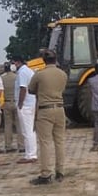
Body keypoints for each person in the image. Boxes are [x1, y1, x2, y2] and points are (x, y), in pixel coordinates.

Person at [27, 49, 68, 184]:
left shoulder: (40, 74)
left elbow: (31, 89)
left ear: (43, 60)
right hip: (60, 108)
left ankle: (46, 174)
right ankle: (60, 171)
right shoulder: (63, 74)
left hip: (45, 110)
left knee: (45, 143)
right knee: (60, 141)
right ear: (55, 59)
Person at [11, 55, 38, 164]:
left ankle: (30, 155)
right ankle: (31, 153)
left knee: (26, 131)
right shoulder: (29, 71)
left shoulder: (22, 72)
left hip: (25, 104)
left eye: (13, 63)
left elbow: (23, 88)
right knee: (30, 130)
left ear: (17, 62)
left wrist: (20, 103)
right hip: (31, 102)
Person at [0, 61, 19, 153]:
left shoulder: (1, 78)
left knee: (8, 125)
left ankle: (8, 145)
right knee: (19, 125)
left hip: (6, 103)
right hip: (16, 102)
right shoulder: (17, 77)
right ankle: (21, 144)